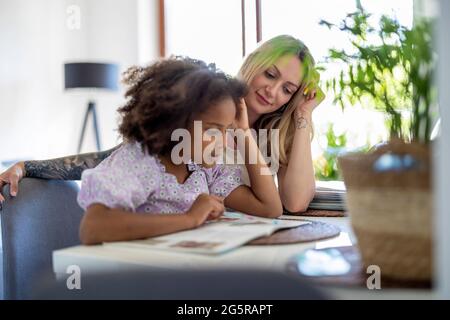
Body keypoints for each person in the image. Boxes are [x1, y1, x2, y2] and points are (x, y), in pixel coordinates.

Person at [0, 35, 324, 213]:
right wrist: (28, 166)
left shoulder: (276, 132)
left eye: (288, 89)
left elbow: (293, 203)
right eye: (270, 74)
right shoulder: (205, 106)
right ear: (255, 63)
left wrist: (303, 117)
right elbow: (119, 156)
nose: (273, 91)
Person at [75, 56, 282, 245]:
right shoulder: (141, 161)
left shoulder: (204, 168)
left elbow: (270, 208)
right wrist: (189, 218)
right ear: (175, 122)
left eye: (227, 130)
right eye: (213, 130)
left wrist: (243, 132)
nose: (222, 141)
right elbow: (93, 228)